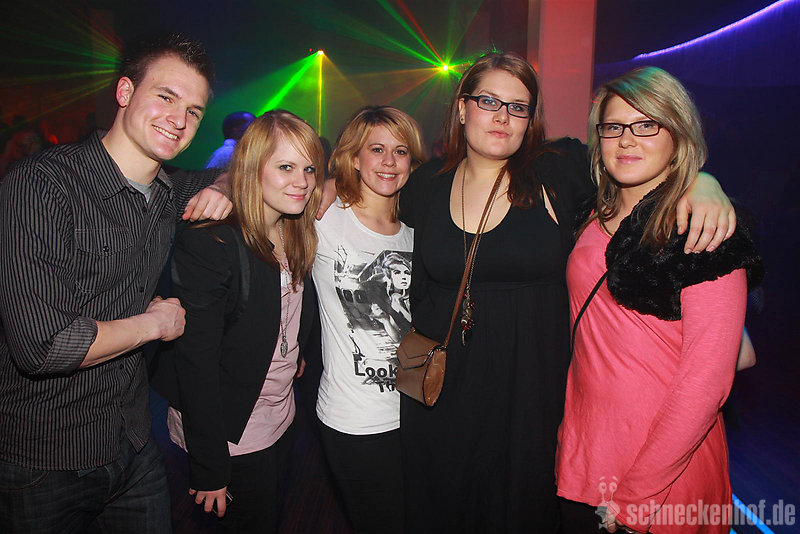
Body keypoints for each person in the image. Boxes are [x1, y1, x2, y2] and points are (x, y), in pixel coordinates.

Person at [392, 52, 736, 533]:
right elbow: (369, 206)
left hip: (535, 396)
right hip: (446, 393)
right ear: (463, 107)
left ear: (530, 120)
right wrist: (327, 188)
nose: (501, 116)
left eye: (518, 106)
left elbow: (639, 169)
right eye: (488, 101)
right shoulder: (425, 186)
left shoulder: (558, 170)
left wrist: (703, 182)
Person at [0, 33, 231, 533]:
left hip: (131, 441)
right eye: (166, 97)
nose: (179, 119)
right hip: (43, 458)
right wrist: (155, 324)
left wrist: (225, 184)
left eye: (193, 111)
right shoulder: (41, 185)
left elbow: (249, 177)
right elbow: (43, 346)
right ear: (125, 92)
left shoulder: (168, 191)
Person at [555, 67, 762, 534]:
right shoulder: (590, 215)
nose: (627, 139)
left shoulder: (703, 230)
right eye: (613, 127)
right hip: (585, 460)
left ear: (678, 134)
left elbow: (708, 381)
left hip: (663, 479)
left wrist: (636, 500)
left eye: (647, 124)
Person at [152, 110, 322, 533]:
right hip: (229, 431)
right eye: (285, 167)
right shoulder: (213, 241)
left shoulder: (294, 231)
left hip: (279, 414)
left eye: (308, 169)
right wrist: (210, 466)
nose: (301, 181)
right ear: (251, 168)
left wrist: (295, 350)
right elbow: (196, 364)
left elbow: (289, 311)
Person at [313, 106, 425, 534]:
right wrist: (221, 186)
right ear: (354, 158)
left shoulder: (417, 232)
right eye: (376, 149)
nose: (389, 161)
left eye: (401, 151)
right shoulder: (324, 216)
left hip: (416, 414)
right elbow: (261, 193)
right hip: (354, 419)